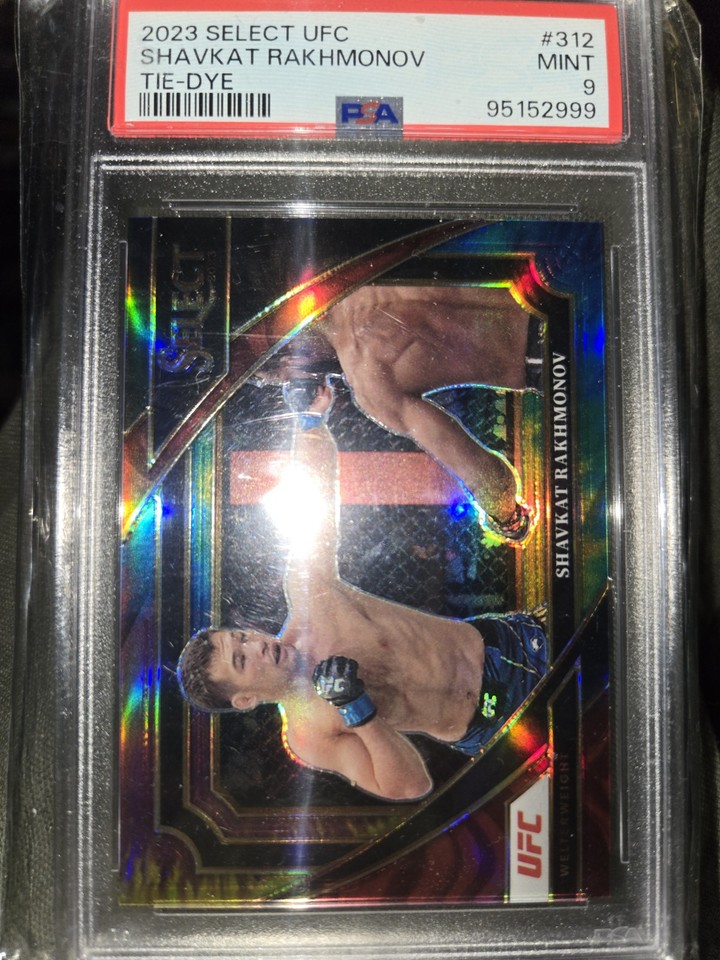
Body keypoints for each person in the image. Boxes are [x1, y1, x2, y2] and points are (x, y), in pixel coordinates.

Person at [177, 385, 547, 801]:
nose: (256, 645)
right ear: (245, 699)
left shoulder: (310, 598)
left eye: (241, 637)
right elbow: (410, 785)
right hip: (491, 727)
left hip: (510, 648)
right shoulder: (308, 735)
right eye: (242, 659)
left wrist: (310, 422)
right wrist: (356, 708)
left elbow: (315, 501)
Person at [256, 283, 543, 542]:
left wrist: (510, 522)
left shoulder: (370, 382)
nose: (301, 383)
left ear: (288, 358)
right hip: (548, 293)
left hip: (546, 361)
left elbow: (484, 476)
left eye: (287, 378)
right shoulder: (364, 272)